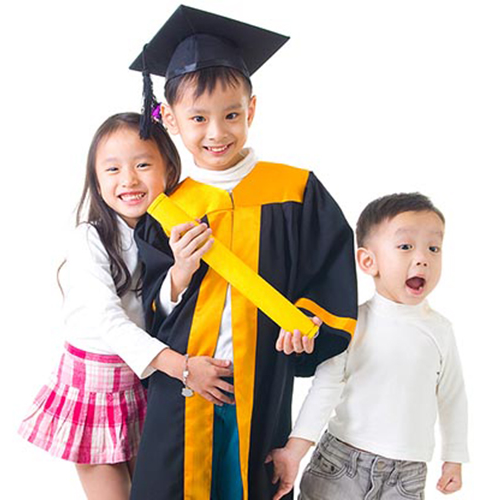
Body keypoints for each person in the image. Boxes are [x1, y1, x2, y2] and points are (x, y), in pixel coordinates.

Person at [129, 6, 357, 500]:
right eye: (198, 118)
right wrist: (179, 276)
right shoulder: (166, 208)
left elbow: (331, 281)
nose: (217, 132)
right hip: (182, 392)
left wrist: (307, 324)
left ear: (251, 110)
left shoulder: (296, 192)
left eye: (232, 114)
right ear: (168, 119)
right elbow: (143, 309)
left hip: (261, 389)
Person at [18, 112, 235, 500]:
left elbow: (158, 313)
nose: (129, 180)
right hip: (95, 388)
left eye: (143, 164)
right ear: (97, 182)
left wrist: (182, 271)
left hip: (140, 382)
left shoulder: (166, 228)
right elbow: (110, 322)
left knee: (155, 491)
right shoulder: (89, 238)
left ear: (169, 169)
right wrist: (184, 369)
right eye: (113, 169)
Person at [267, 193, 469, 500]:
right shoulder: (354, 323)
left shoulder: (440, 331)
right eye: (405, 247)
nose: (423, 258)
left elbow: (452, 396)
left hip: (407, 476)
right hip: (341, 463)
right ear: (368, 261)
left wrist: (453, 458)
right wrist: (295, 451)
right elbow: (325, 387)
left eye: (434, 248)